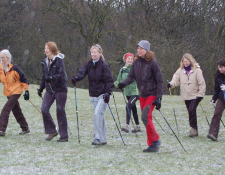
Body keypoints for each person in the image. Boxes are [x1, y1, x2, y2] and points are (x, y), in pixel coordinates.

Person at [118, 40, 163, 152]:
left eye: (141, 48)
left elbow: (159, 80)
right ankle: (152, 144)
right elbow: (131, 77)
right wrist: (123, 83)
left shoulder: (153, 63)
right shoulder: (136, 63)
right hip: (142, 95)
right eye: (138, 48)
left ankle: (155, 140)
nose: (139, 50)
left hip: (152, 94)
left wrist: (158, 98)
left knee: (145, 117)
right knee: (147, 119)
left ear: (146, 50)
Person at [71, 44, 113, 145]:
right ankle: (103, 139)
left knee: (97, 114)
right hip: (92, 94)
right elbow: (82, 72)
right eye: (92, 52)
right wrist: (76, 78)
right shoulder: (88, 65)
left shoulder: (104, 66)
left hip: (103, 94)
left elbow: (109, 81)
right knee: (100, 116)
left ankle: (97, 137)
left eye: (95, 52)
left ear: (100, 53)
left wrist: (108, 93)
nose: (93, 54)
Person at [167, 53, 206, 138]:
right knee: (190, 111)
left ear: (190, 60)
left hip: (195, 95)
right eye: (184, 61)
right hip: (186, 95)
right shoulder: (180, 70)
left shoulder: (197, 70)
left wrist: (201, 94)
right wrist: (170, 84)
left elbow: (202, 83)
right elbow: (176, 79)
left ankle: (193, 129)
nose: (185, 63)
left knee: (192, 109)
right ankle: (194, 129)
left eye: (187, 61)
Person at [37, 41, 68, 142]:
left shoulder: (59, 61)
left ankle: (64, 136)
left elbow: (62, 76)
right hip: (49, 90)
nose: (46, 50)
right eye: (45, 48)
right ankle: (52, 131)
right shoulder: (44, 62)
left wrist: (52, 78)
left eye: (48, 48)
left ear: (53, 50)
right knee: (44, 109)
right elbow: (44, 77)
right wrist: (41, 88)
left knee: (60, 111)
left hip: (60, 89)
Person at [0, 49, 30, 136]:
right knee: (16, 110)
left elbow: (24, 79)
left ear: (8, 57)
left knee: (6, 109)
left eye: (3, 57)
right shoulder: (0, 68)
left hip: (16, 91)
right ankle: (25, 127)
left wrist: (27, 91)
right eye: (0, 58)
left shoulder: (14, 67)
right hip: (8, 92)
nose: (1, 59)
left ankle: (1, 129)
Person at [114, 53, 140, 133]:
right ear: (125, 60)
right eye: (128, 59)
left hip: (135, 92)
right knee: (133, 108)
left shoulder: (135, 69)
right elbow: (118, 80)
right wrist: (116, 84)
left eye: (131, 59)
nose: (130, 60)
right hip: (127, 92)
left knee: (128, 105)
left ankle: (127, 126)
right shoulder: (122, 70)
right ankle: (137, 126)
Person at [207, 59, 225, 142]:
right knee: (217, 114)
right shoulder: (218, 75)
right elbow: (216, 89)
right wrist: (213, 99)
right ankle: (212, 134)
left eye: (222, 67)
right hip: (222, 98)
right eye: (219, 67)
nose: (220, 69)